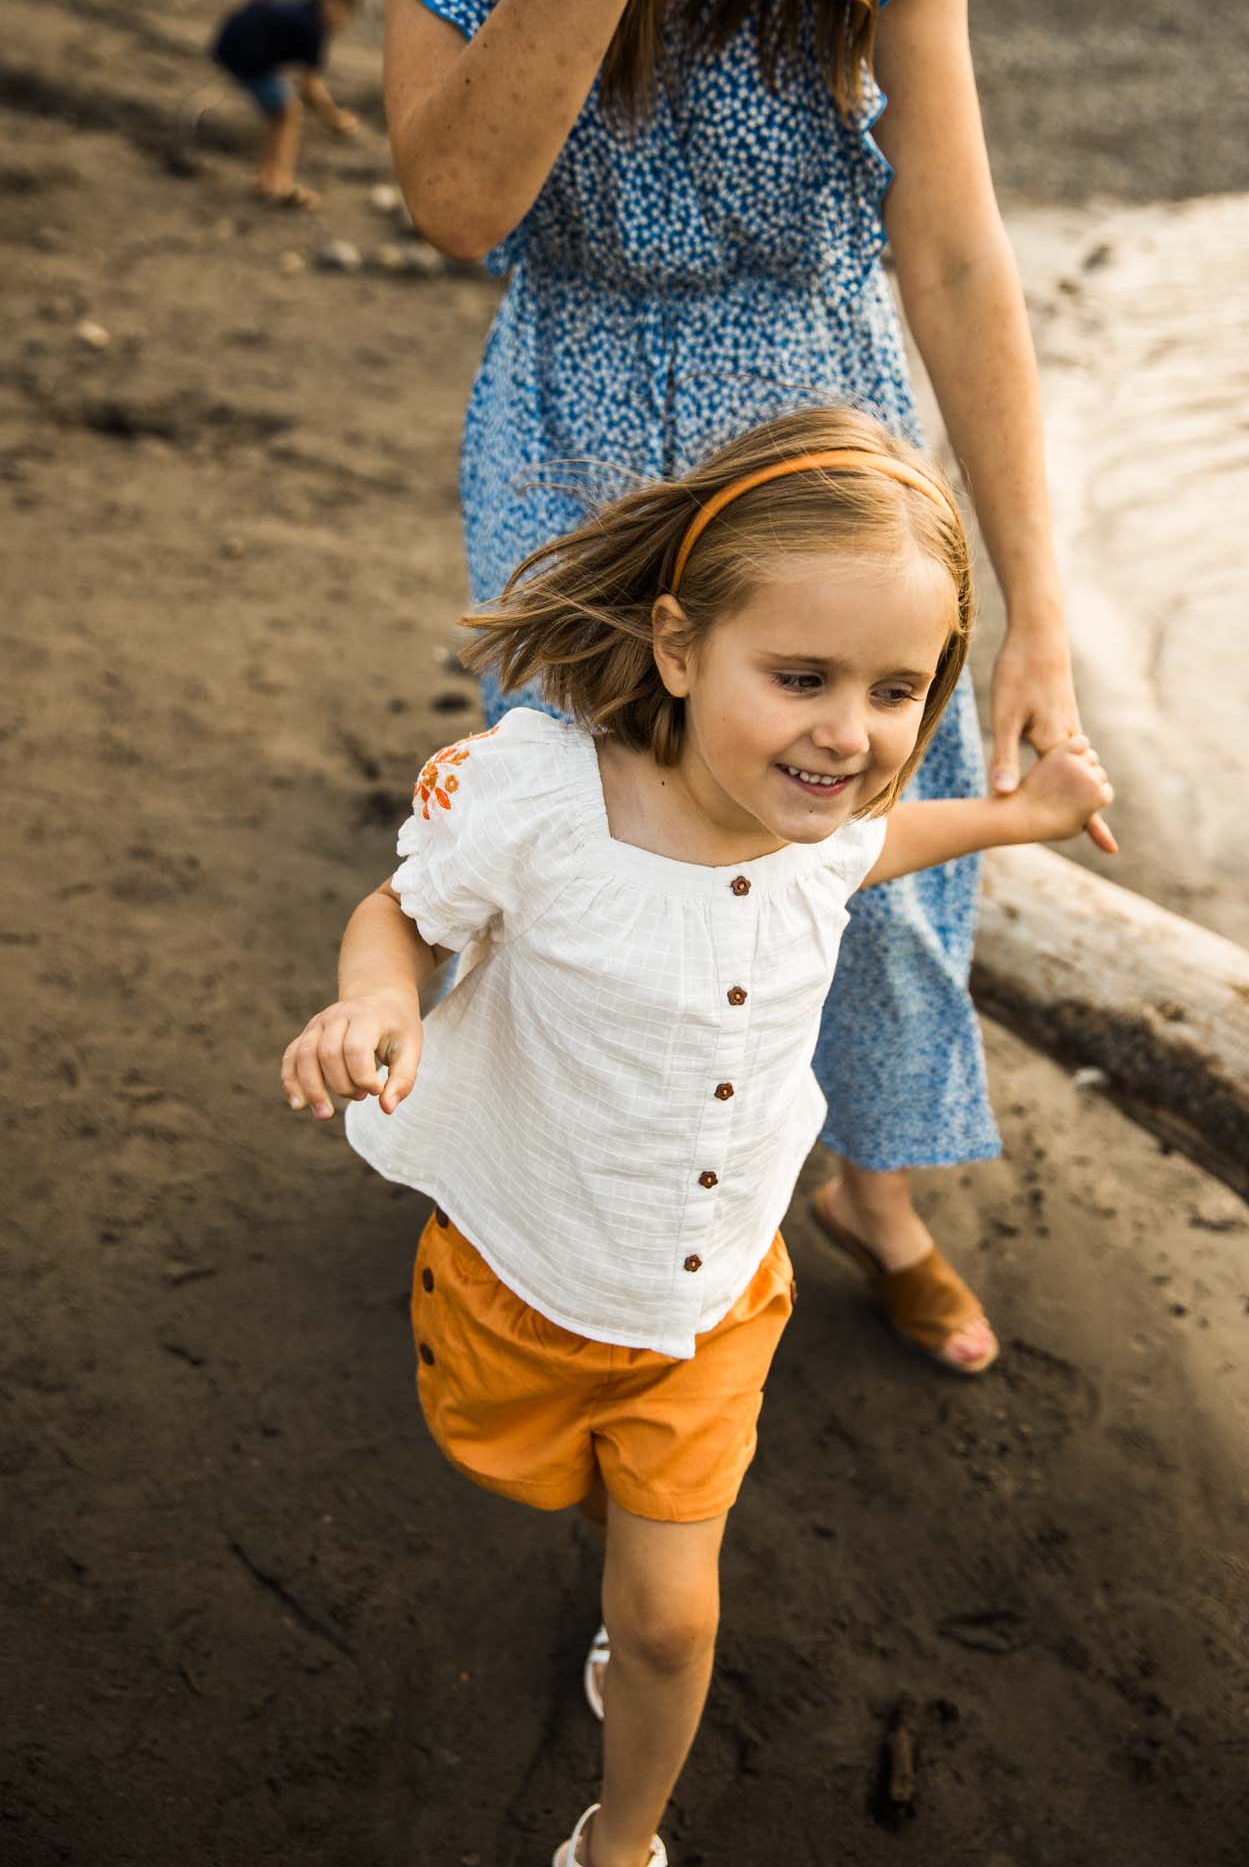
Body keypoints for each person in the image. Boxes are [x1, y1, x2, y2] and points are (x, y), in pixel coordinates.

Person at [280, 407, 1114, 1867]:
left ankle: (623, 1836)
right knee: (526, 1478)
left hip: (710, 1303)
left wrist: (1016, 812)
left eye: (896, 689)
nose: (848, 733)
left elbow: (884, 844)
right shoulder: (544, 799)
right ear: (676, 647)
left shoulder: (819, 820)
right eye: (799, 677)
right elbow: (406, 914)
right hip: (519, 1273)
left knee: (670, 1614)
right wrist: (373, 1002)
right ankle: (607, 1563)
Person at [358, 0, 1115, 1375]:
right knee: (587, 837)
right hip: (576, 432)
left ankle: (869, 1196)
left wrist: (1039, 607)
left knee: (865, 852)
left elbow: (956, 251)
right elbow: (456, 205)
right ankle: (555, 1205)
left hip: (823, 411)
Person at [210, 0, 362, 206]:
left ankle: (267, 178)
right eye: (345, 14)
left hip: (228, 46)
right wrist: (336, 118)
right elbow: (310, 86)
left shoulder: (297, 9)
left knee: (280, 113)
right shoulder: (314, 29)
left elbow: (248, 3)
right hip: (243, 57)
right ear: (330, 1)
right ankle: (281, 183)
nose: (344, 23)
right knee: (290, 112)